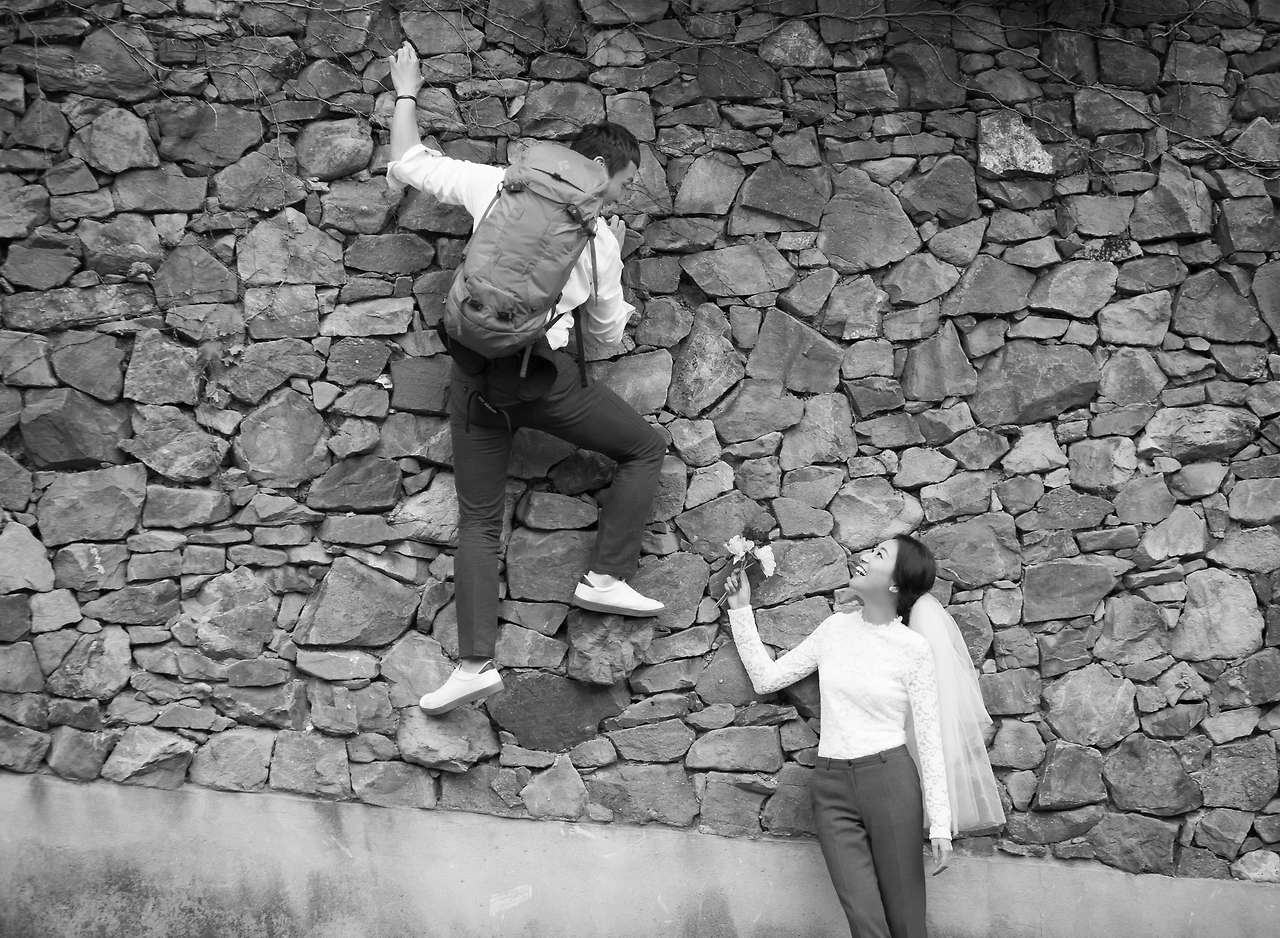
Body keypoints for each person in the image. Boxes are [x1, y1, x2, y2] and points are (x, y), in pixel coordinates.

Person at [384, 42, 667, 715]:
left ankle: (473, 665)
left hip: (472, 374)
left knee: (479, 521)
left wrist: (407, 90)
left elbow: (410, 161)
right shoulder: (598, 236)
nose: (625, 195)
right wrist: (606, 283)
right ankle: (605, 577)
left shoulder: (501, 185)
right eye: (627, 181)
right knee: (644, 447)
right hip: (543, 381)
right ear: (603, 168)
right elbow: (604, 336)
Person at [726, 535, 969, 938]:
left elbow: (929, 739)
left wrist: (941, 825)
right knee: (864, 921)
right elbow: (767, 679)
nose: (864, 557)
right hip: (831, 785)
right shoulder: (835, 628)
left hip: (890, 783)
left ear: (896, 583)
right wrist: (740, 610)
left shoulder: (913, 649)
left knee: (907, 920)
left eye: (879, 554)